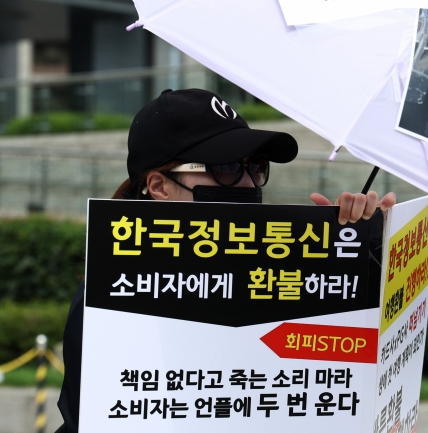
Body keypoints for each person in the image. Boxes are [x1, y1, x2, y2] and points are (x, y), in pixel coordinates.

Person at [55, 89, 395, 433]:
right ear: (159, 186)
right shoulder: (111, 297)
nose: (247, 183)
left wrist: (353, 254)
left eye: (255, 166)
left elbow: (330, 380)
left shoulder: (272, 277)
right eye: (227, 167)